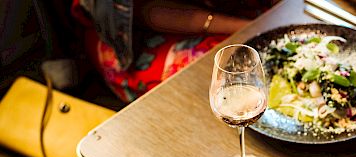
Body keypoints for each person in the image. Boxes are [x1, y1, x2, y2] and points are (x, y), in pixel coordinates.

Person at [71, 1, 279, 103]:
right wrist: (248, 27)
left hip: (232, 10)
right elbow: (147, 10)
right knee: (222, 85)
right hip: (144, 29)